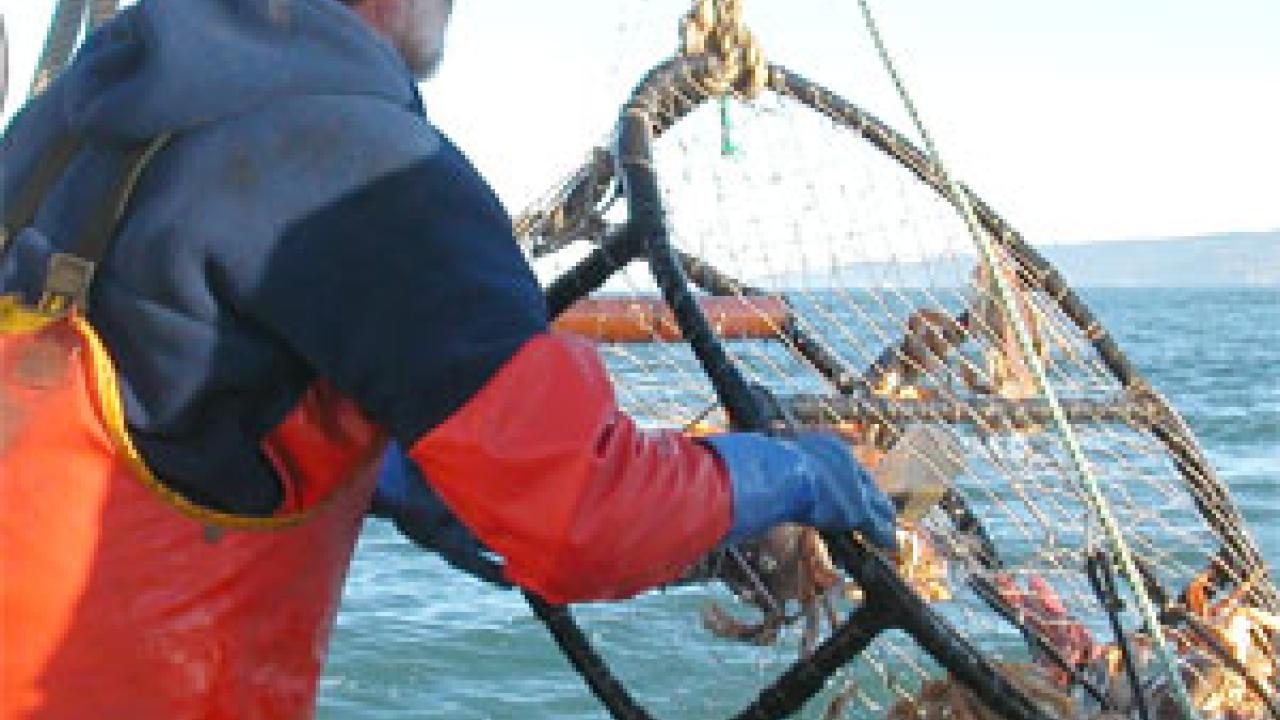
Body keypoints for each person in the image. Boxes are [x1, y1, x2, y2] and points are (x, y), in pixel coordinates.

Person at [0, 0, 896, 717]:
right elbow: (582, 517)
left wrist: (711, 537)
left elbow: (204, 409)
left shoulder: (71, 123)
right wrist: (795, 474)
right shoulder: (361, 167)